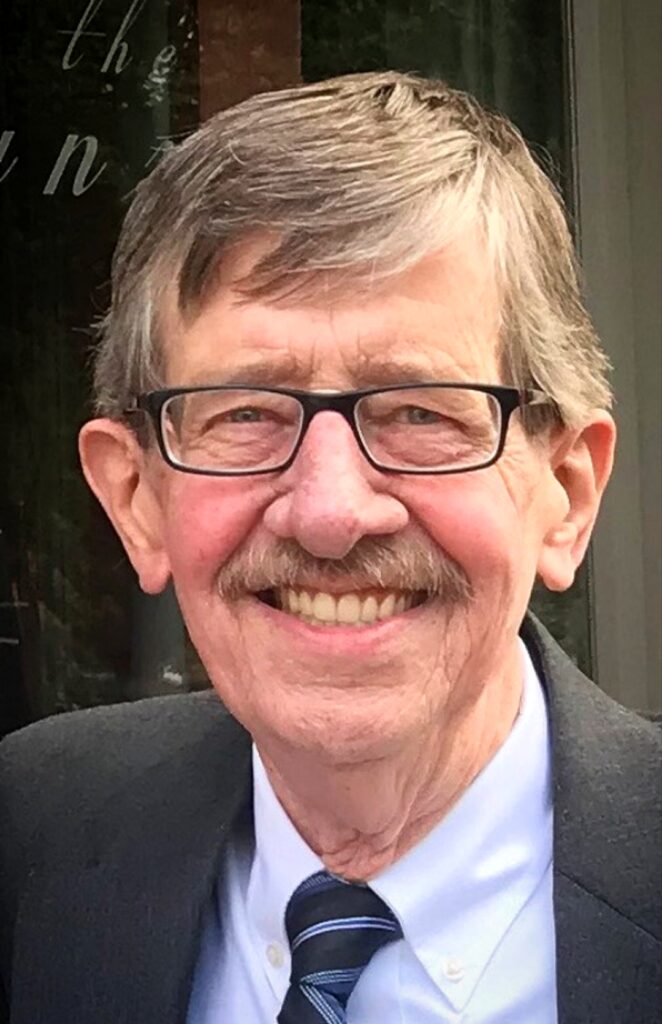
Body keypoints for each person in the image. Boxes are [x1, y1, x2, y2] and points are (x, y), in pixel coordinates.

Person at [0, 71, 659, 1024]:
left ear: (565, 493)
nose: (330, 511)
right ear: (136, 500)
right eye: (244, 414)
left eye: (422, 412)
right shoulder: (34, 829)